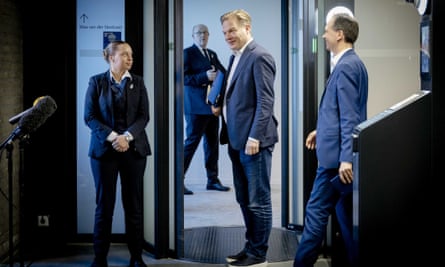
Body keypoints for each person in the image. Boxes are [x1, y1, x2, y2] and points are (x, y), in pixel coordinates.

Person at [293, 13, 368, 267]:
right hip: (338, 156)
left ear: (340, 34)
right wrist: (320, 131)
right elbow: (340, 113)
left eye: (326, 30)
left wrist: (346, 159)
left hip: (335, 163)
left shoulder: (346, 67)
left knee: (315, 215)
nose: (323, 35)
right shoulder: (352, 63)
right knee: (347, 221)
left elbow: (350, 117)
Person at [218, 9, 278, 267]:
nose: (228, 36)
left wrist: (254, 136)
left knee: (258, 200)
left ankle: (259, 254)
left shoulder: (259, 56)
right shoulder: (236, 57)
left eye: (232, 30)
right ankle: (250, 247)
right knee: (244, 198)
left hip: (254, 142)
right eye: (224, 32)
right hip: (236, 140)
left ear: (247, 27)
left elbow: (266, 101)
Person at [84, 40, 151, 267]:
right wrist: (114, 137)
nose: (130, 58)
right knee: (104, 207)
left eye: (131, 54)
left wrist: (127, 138)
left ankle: (136, 257)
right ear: (111, 58)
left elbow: (144, 117)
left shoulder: (139, 83)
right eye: (124, 54)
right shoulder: (96, 82)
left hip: (134, 151)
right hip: (104, 152)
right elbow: (89, 117)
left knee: (133, 205)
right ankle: (100, 258)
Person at [183, 24, 230, 195]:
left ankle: (212, 180)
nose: (202, 36)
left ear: (209, 35)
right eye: (199, 33)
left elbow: (223, 72)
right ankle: (177, 180)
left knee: (212, 144)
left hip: (212, 107)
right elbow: (182, 77)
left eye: (205, 33)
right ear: (193, 35)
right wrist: (204, 76)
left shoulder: (211, 54)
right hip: (195, 107)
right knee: (191, 143)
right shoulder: (187, 53)